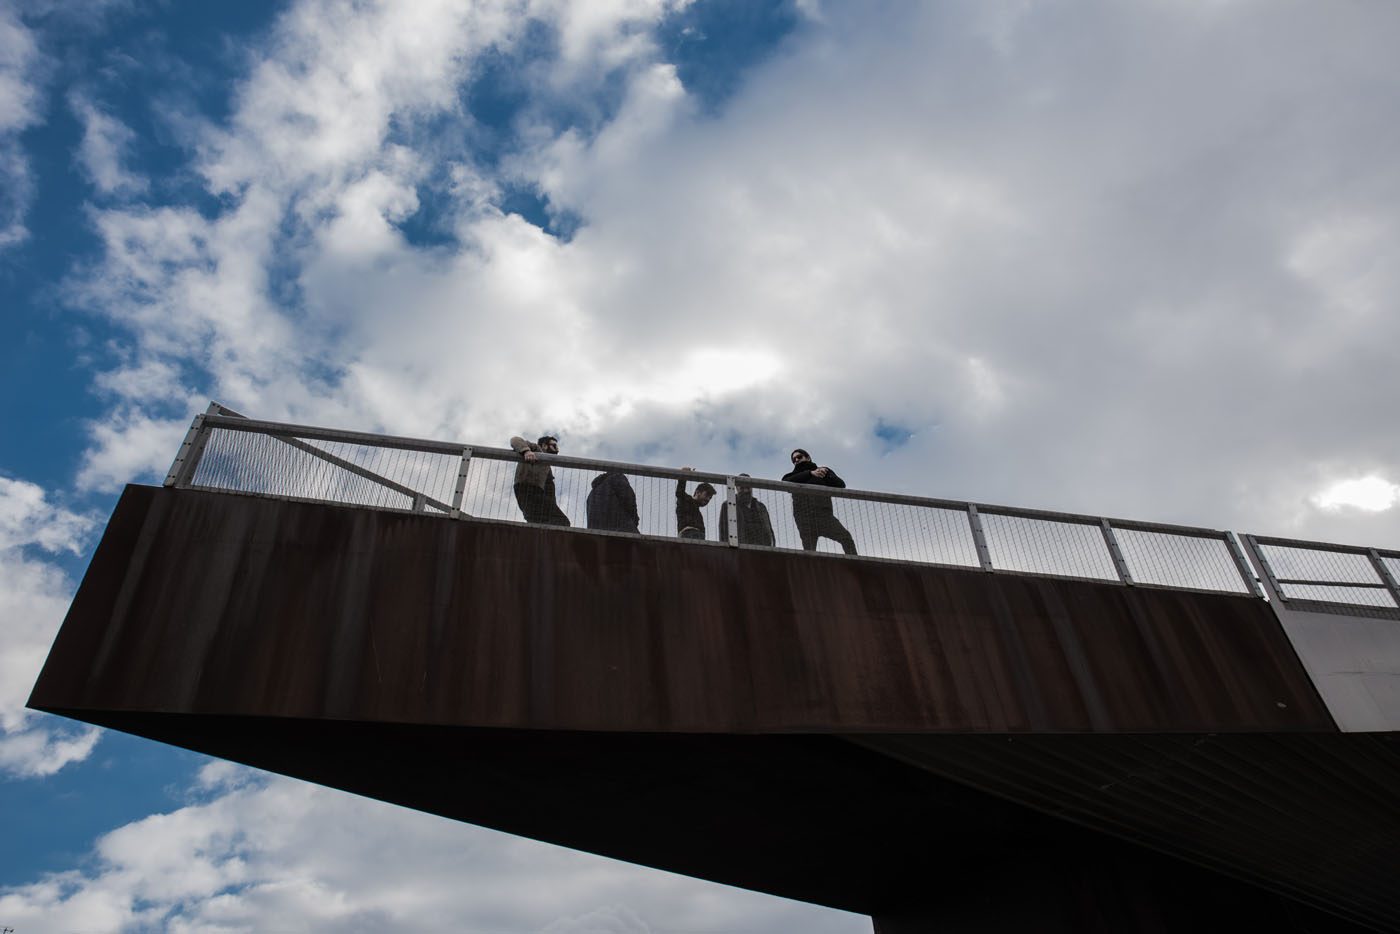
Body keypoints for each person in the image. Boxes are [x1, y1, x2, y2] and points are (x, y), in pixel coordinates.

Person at [782, 448, 857, 554]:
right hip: (805, 519)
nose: (796, 460)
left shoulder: (822, 471)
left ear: (808, 458)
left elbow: (841, 485)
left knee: (846, 538)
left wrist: (827, 474)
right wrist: (810, 473)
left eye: (799, 457)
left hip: (824, 516)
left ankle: (855, 567)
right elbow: (785, 483)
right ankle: (809, 570)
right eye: (794, 460)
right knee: (809, 550)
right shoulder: (792, 476)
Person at [509, 434, 570, 526]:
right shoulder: (536, 449)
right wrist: (526, 452)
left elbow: (549, 490)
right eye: (554, 445)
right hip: (528, 489)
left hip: (536, 493)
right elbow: (515, 440)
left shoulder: (547, 467)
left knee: (539, 522)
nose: (557, 449)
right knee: (561, 521)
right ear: (544, 446)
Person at [718, 473, 775, 546]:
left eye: (748, 487)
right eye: (742, 488)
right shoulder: (727, 505)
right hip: (740, 551)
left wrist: (772, 547)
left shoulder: (761, 507)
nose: (745, 490)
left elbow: (769, 530)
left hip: (762, 550)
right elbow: (723, 532)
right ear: (736, 488)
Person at [675, 467, 716, 540]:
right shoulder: (686, 499)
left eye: (710, 497)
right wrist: (684, 475)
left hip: (697, 537)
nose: (708, 499)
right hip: (689, 535)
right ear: (698, 492)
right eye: (707, 495)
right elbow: (679, 492)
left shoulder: (696, 509)